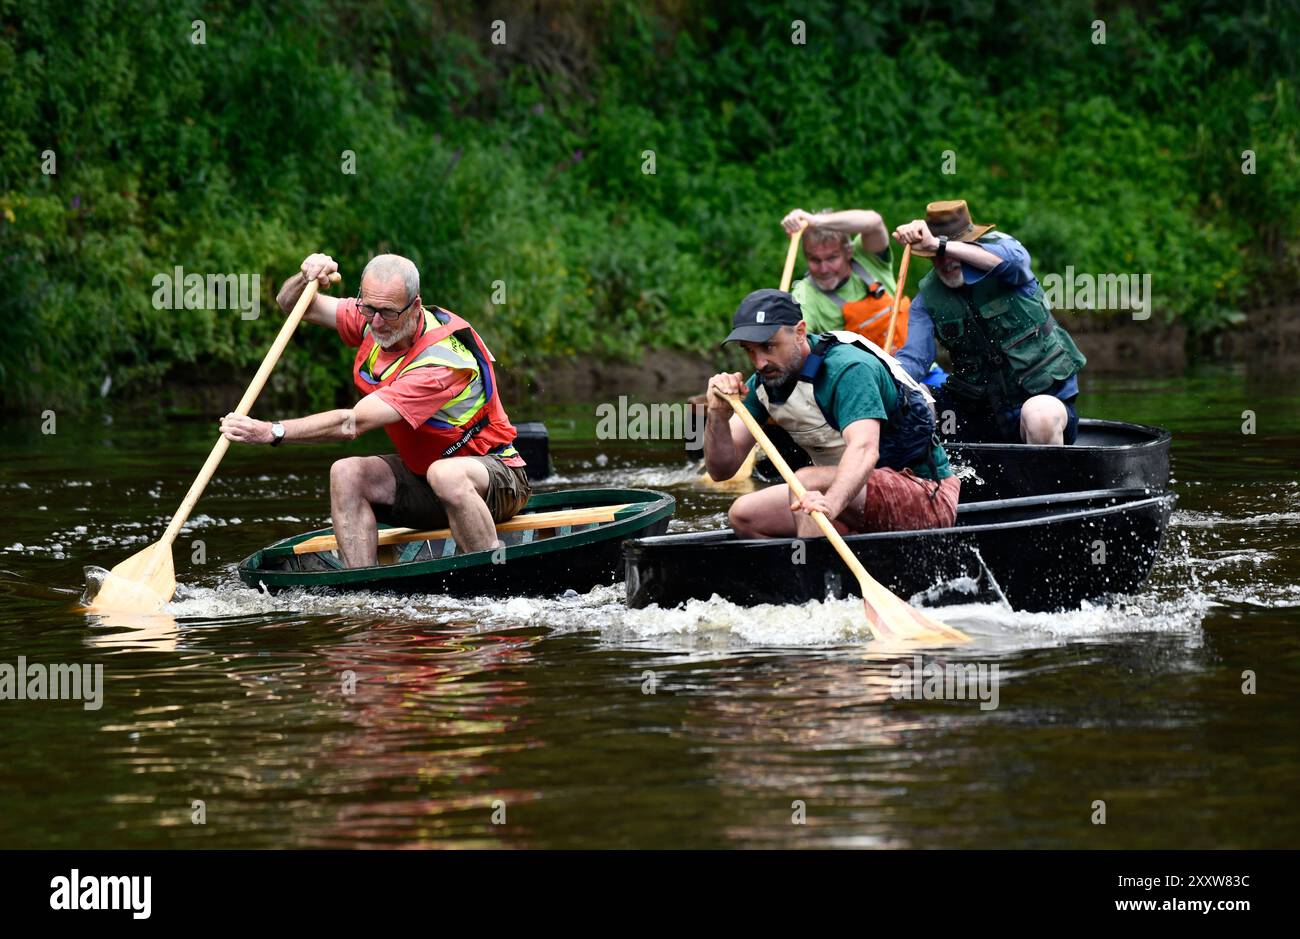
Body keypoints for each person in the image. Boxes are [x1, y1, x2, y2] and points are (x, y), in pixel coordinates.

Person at [219, 253, 531, 567]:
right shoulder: (373, 316)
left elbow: (351, 424)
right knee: (347, 473)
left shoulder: (439, 364)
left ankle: (490, 574)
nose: (376, 321)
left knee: (445, 474)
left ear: (415, 306)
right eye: (368, 308)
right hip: (427, 481)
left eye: (387, 312)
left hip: (497, 481)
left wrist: (271, 432)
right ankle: (363, 592)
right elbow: (293, 304)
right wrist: (306, 277)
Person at [703, 288, 959, 539]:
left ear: (800, 332)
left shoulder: (848, 369)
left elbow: (864, 449)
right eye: (749, 350)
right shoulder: (763, 383)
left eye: (769, 346)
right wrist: (716, 414)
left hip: (925, 494)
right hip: (852, 497)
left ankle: (819, 577)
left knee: (805, 481)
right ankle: (808, 565)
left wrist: (831, 505)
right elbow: (722, 471)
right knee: (743, 515)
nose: (759, 362)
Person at [892, 200, 1087, 445]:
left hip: (1041, 401)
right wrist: (886, 375)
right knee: (911, 400)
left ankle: (1047, 479)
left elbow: (1013, 263)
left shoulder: (1005, 255)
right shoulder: (925, 301)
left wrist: (938, 244)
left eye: (952, 250)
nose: (945, 260)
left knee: (1039, 415)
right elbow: (915, 360)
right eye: (935, 256)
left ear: (971, 244)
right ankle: (932, 478)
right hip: (974, 414)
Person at [781, 207, 910, 350]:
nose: (824, 269)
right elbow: (794, 340)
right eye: (815, 260)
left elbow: (874, 221)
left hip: (920, 367)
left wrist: (814, 221)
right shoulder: (803, 292)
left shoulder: (866, 256)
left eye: (832, 258)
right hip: (869, 372)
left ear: (848, 251)